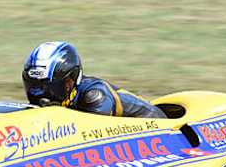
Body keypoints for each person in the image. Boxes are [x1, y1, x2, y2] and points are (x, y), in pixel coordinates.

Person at [22, 41, 167, 118]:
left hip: (156, 131)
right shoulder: (55, 101)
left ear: (71, 80)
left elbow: (93, 137)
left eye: (51, 88)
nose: (41, 94)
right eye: (34, 86)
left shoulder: (94, 96)